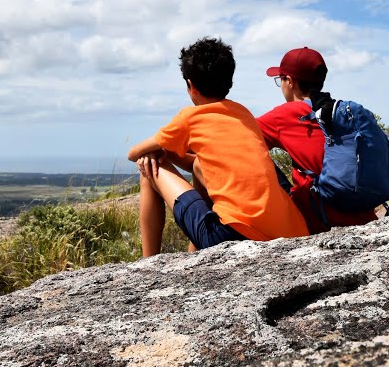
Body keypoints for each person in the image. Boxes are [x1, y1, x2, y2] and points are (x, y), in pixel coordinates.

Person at [127, 37, 310, 258]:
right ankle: (194, 256)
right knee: (198, 165)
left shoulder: (190, 117)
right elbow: (201, 162)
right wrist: (170, 151)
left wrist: (162, 152)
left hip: (229, 235)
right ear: (229, 81)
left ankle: (148, 263)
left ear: (190, 86)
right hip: (288, 232)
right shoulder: (244, 114)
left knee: (148, 166)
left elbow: (134, 153)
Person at [257, 46, 380, 234]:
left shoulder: (284, 115)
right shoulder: (342, 112)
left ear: (289, 82)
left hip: (319, 220)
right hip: (364, 215)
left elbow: (239, 139)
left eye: (280, 79)